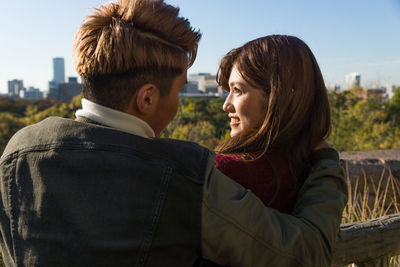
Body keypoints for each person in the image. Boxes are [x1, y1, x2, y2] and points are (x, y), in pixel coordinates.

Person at [0, 1, 347, 266]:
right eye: (180, 90)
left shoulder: (18, 152)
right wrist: (326, 160)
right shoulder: (186, 175)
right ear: (148, 97)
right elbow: (304, 250)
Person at [214, 35, 332, 213]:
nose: (226, 105)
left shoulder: (227, 171)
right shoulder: (316, 170)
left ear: (282, 96)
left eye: (237, 90)